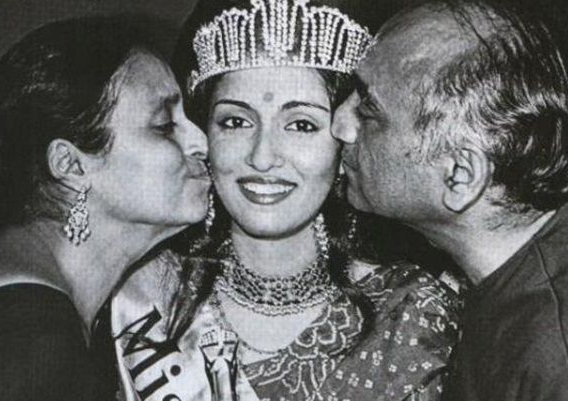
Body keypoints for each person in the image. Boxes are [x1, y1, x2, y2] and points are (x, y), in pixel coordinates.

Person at [110, 1, 460, 401]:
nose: (262, 156)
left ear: (344, 141)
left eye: (301, 125)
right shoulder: (140, 296)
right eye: (236, 121)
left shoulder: (412, 312)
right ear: (203, 136)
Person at [330, 1, 568, 400]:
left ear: (460, 176)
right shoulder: (560, 241)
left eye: (368, 110)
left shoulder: (567, 365)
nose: (339, 124)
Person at [0, 15, 210, 401]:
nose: (201, 142)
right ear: (71, 165)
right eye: (164, 125)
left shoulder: (23, 300)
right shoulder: (33, 343)